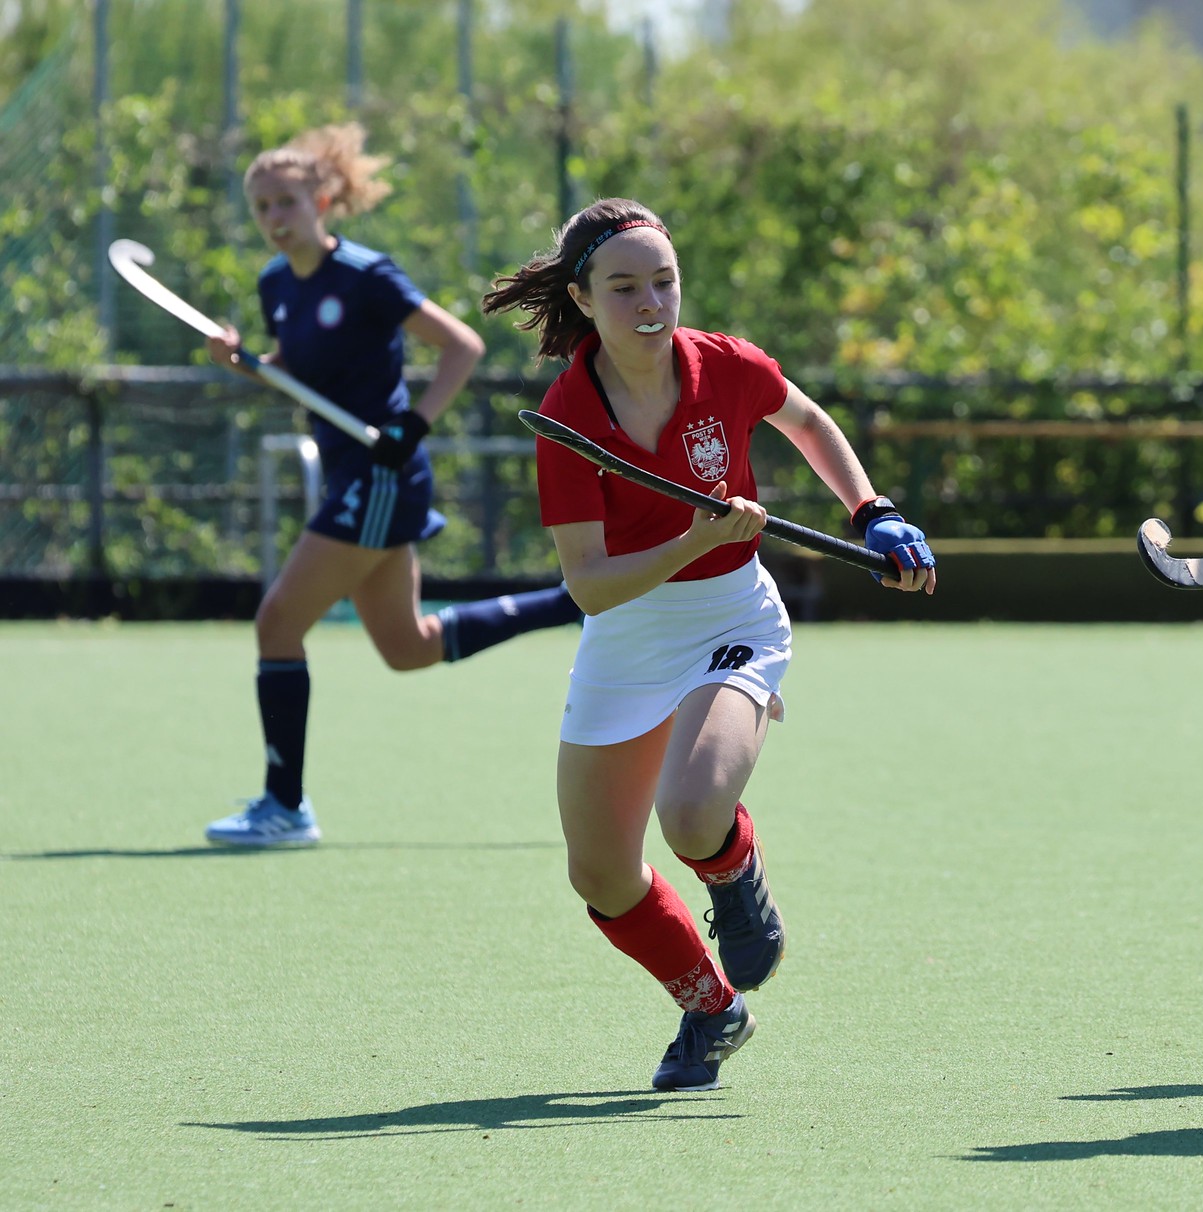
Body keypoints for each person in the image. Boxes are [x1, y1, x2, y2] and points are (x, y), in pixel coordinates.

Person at [481, 197, 936, 1093]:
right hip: (625, 634)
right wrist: (692, 538)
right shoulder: (568, 413)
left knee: (691, 813)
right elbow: (589, 585)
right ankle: (711, 1009)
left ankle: (733, 870)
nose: (650, 303)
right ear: (581, 298)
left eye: (664, 281)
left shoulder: (724, 364)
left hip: (731, 619)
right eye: (623, 288)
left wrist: (871, 510)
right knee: (600, 873)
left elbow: (806, 422)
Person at [202, 123, 582, 849]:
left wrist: (416, 423)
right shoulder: (275, 283)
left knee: (277, 623)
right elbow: (297, 371)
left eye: (286, 202)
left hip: (382, 475)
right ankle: (572, 602)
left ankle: (284, 806)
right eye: (262, 207)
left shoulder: (367, 276)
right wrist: (247, 362)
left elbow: (461, 346)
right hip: (350, 476)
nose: (275, 218)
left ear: (321, 201)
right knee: (408, 647)